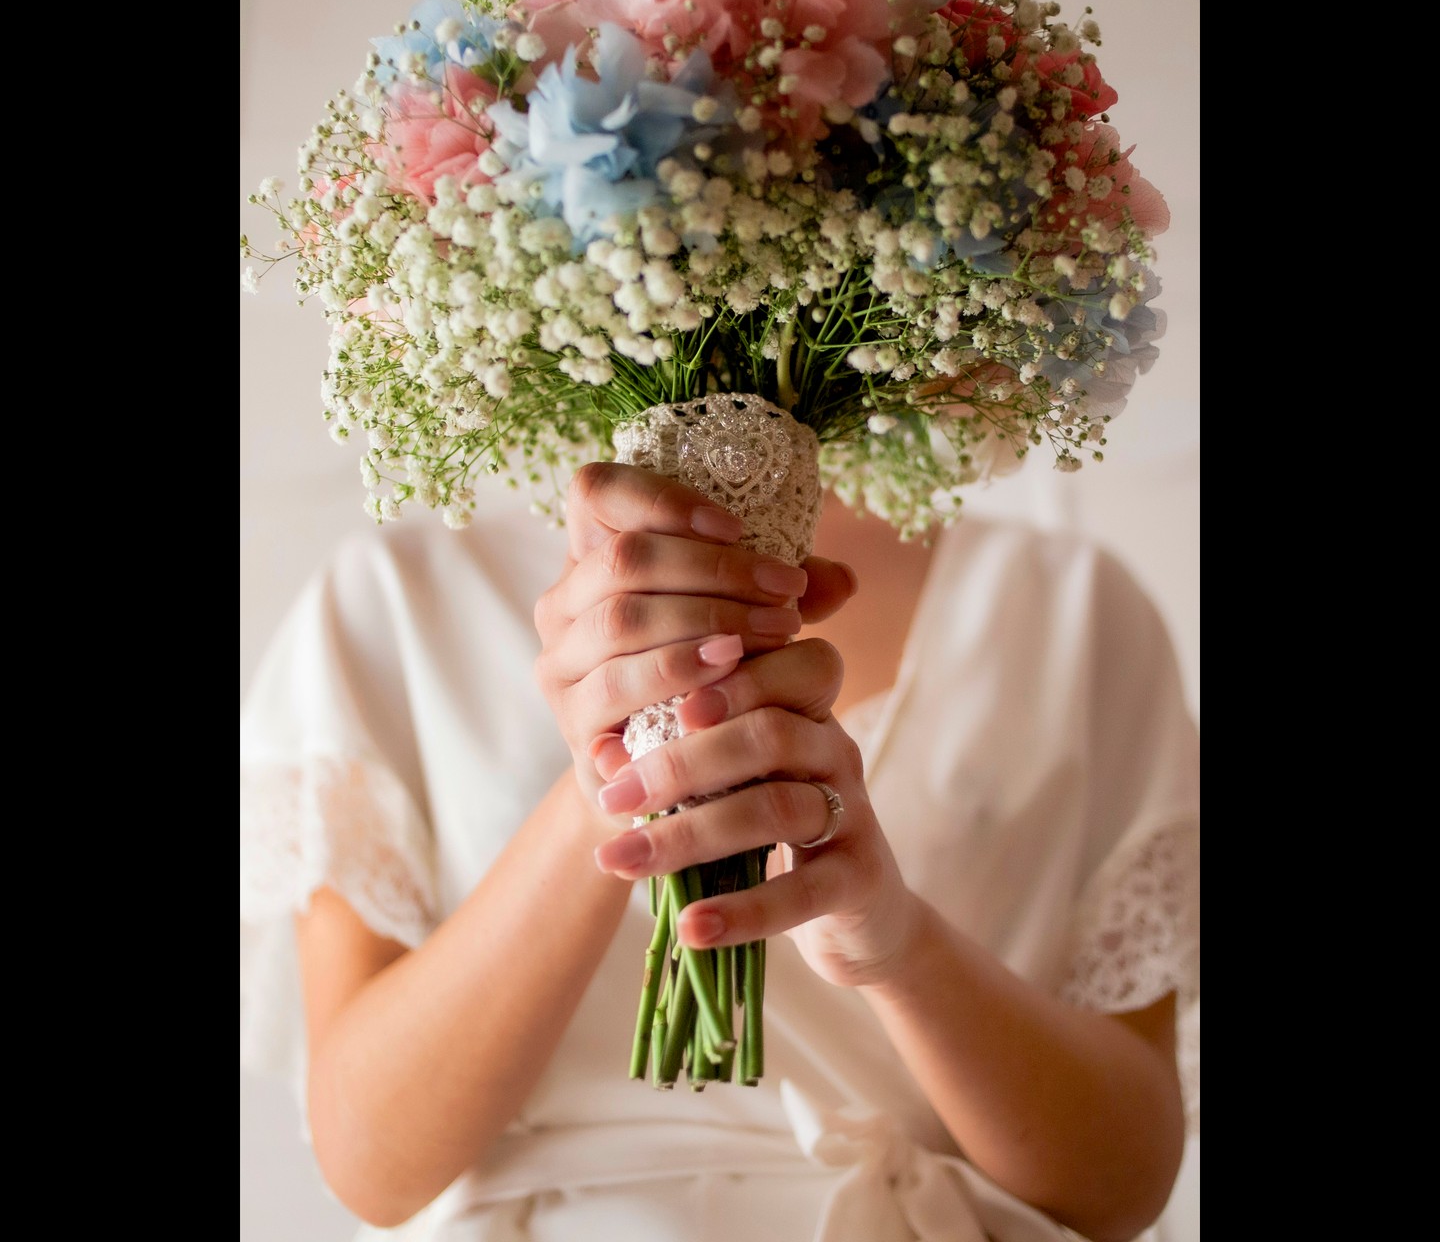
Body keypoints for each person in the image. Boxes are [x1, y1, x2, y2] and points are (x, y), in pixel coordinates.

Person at [240, 461, 1200, 1242]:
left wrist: (894, 946)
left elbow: (1120, 1183)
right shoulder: (401, 597)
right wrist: (613, 783)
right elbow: (371, 1161)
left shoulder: (1066, 607)